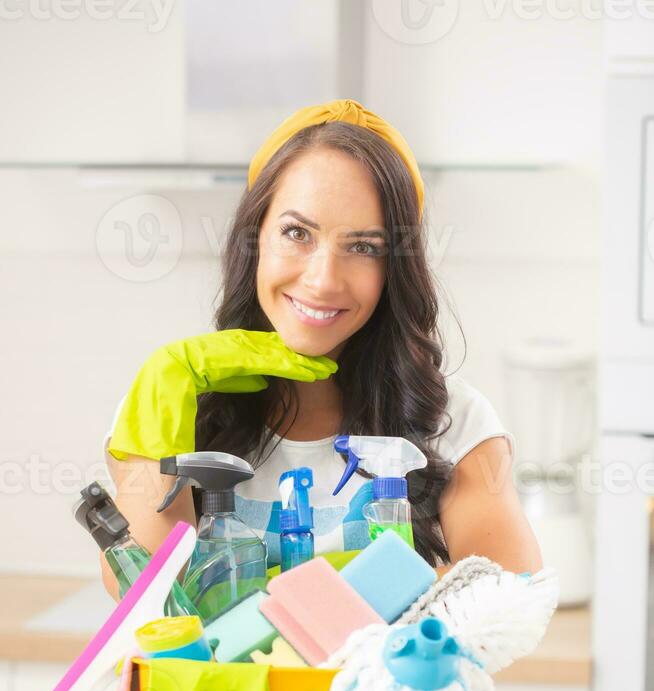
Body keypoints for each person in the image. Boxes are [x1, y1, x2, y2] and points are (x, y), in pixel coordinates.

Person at [102, 99, 541, 599]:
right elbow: (149, 599)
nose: (322, 279)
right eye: (297, 233)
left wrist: (290, 601)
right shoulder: (167, 406)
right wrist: (164, 385)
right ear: (255, 237)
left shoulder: (454, 422)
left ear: (395, 267)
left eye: (363, 247)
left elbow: (509, 594)